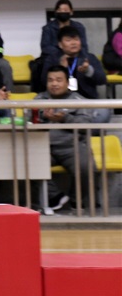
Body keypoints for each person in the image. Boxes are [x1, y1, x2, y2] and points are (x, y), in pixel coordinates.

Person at [33, 65, 98, 214]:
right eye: (50, 80)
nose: (54, 84)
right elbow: (30, 121)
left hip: (72, 146)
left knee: (86, 166)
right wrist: (43, 117)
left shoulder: (78, 100)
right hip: (44, 146)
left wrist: (65, 118)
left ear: (67, 83)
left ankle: (76, 201)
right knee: (28, 163)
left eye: (58, 80)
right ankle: (56, 197)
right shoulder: (39, 99)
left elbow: (86, 126)